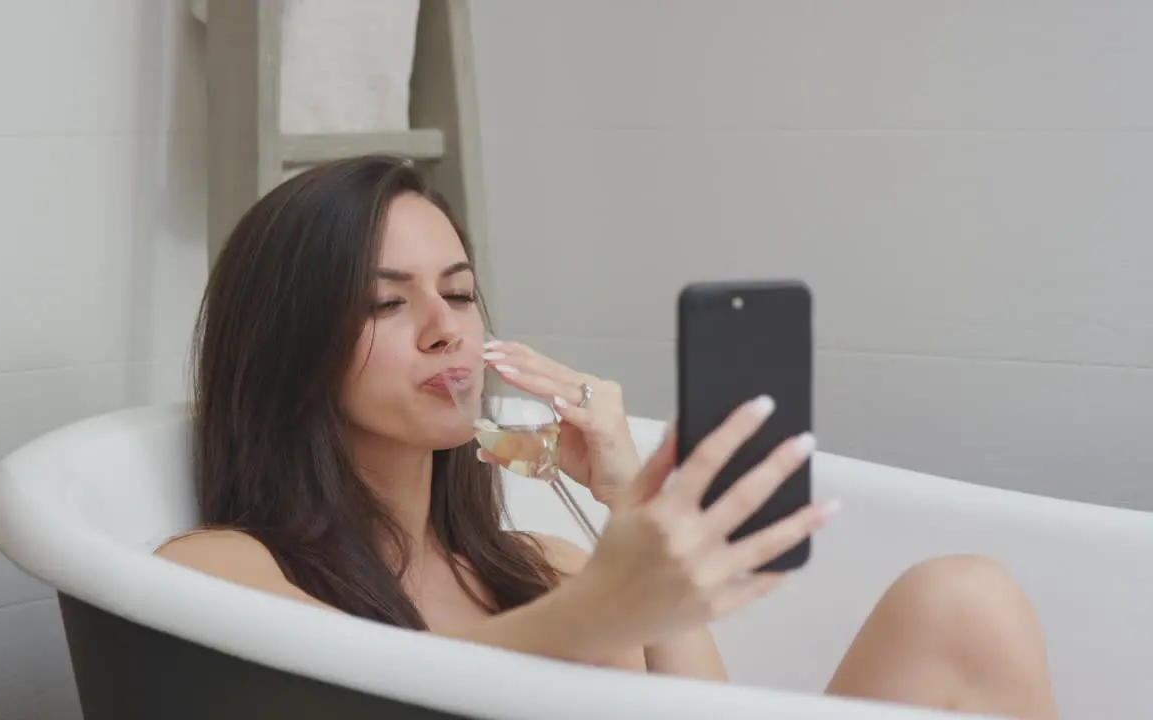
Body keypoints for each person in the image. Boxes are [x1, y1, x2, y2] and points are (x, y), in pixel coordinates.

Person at [157, 155, 1058, 719]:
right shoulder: (221, 570)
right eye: (386, 302)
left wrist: (635, 507)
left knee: (962, 599)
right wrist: (601, 612)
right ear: (286, 347)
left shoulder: (544, 565)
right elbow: (359, 694)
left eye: (461, 293)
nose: (447, 330)